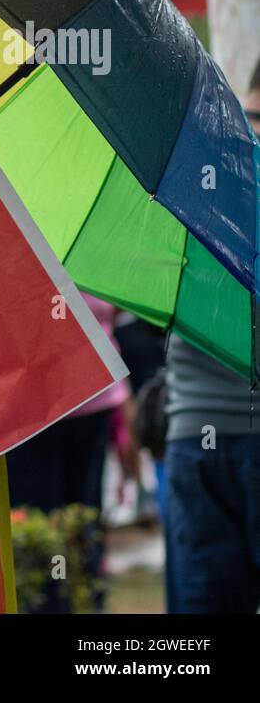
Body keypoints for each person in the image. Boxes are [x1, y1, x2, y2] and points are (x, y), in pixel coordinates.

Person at [160, 58, 260, 613]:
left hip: (198, 433)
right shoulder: (202, 175)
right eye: (251, 117)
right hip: (197, 433)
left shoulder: (195, 172)